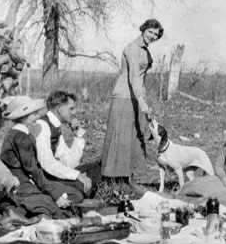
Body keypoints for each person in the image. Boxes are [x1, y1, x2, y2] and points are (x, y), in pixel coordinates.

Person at [101, 19, 163, 183]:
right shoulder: (132, 48)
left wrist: (143, 99)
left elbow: (141, 80)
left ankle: (126, 180)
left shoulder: (144, 50)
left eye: (156, 35)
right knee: (120, 137)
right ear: (143, 29)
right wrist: (141, 101)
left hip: (136, 96)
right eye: (150, 32)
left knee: (133, 136)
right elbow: (134, 77)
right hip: (124, 96)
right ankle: (111, 181)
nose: (152, 36)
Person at [0, 96, 79, 219]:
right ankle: (18, 210)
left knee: (68, 196)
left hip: (24, 183)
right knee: (56, 207)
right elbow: (33, 170)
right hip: (21, 186)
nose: (38, 116)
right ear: (23, 117)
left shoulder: (16, 134)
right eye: (34, 114)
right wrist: (54, 194)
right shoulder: (21, 137)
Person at [34, 91, 100, 201]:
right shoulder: (43, 126)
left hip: (51, 174)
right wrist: (77, 176)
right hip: (42, 178)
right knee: (81, 187)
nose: (74, 112)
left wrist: (78, 136)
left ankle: (82, 194)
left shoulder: (55, 127)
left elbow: (70, 163)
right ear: (59, 109)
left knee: (96, 167)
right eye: (71, 108)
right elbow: (47, 163)